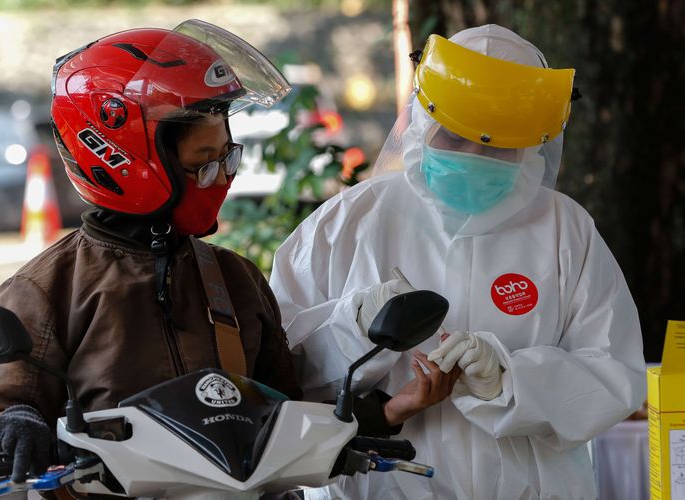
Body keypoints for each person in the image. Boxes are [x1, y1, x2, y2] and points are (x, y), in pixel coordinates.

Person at [0, 20, 454, 498]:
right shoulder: (48, 289)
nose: (222, 178)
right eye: (203, 163)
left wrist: (386, 410)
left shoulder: (234, 278)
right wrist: (15, 423)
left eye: (228, 157)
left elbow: (284, 415)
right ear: (126, 160)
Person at [269, 24, 647, 499]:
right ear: (424, 121)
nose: (472, 155)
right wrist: (352, 325)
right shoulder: (348, 222)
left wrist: (510, 382)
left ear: (531, 144)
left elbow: (615, 375)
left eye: (494, 146)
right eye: (454, 137)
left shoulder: (565, 230)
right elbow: (279, 371)